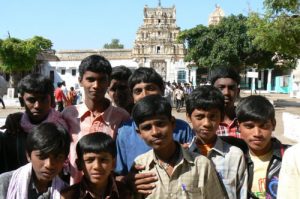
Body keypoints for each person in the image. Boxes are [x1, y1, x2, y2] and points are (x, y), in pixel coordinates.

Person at [131, 95, 226, 198]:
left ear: (172, 123)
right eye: (147, 128)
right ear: (139, 133)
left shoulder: (201, 165)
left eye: (160, 124)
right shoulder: (140, 166)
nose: (155, 132)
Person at [62, 55, 130, 184]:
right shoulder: (68, 114)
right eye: (90, 79)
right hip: (75, 189)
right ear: (80, 80)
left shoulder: (121, 117)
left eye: (102, 80)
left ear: (109, 82)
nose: (96, 85)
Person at [116, 67, 194, 176]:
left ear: (162, 90)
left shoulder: (182, 128)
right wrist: (130, 181)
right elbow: (120, 173)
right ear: (132, 97)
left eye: (150, 88)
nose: (144, 95)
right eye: (138, 91)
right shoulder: (124, 132)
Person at [186, 85, 247, 199]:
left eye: (213, 117)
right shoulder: (183, 155)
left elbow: (241, 193)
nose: (207, 123)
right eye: (199, 117)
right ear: (189, 117)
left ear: (221, 117)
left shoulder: (234, 155)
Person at [0, 73, 68, 174]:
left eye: (43, 99)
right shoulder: (13, 132)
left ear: (52, 100)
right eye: (31, 100)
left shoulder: (63, 128)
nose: (37, 105)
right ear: (21, 101)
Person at [236, 95, 289, 198]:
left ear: (273, 124)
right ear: (239, 127)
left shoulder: (290, 156)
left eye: (264, 126)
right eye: (249, 126)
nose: (257, 133)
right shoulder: (235, 158)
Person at [0, 122, 70, 199]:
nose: (49, 165)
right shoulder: (5, 183)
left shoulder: (65, 193)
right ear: (28, 156)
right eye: (42, 156)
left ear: (65, 159)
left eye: (58, 157)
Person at [61, 132, 131, 199]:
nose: (97, 167)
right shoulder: (68, 196)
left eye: (103, 160)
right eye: (90, 160)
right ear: (79, 164)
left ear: (113, 164)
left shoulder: (125, 192)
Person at [210, 66, 241, 138]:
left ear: (238, 91)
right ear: (212, 90)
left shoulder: (246, 119)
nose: (226, 92)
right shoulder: (206, 123)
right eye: (221, 88)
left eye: (231, 88)